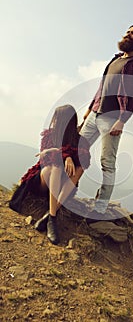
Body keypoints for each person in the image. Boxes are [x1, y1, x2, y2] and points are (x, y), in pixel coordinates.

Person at [80, 25, 133, 215]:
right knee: (77, 150)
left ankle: (100, 207)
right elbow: (102, 86)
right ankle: (67, 192)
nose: (128, 34)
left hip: (112, 119)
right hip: (94, 114)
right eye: (127, 31)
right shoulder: (116, 59)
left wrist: (122, 120)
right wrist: (89, 109)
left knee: (107, 163)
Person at [9, 104, 90, 244]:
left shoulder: (78, 140)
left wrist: (65, 154)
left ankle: (48, 216)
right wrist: (66, 156)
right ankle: (53, 218)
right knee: (55, 167)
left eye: (56, 118)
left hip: (61, 187)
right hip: (42, 182)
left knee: (80, 168)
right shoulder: (49, 135)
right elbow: (45, 158)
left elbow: (85, 159)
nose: (53, 121)